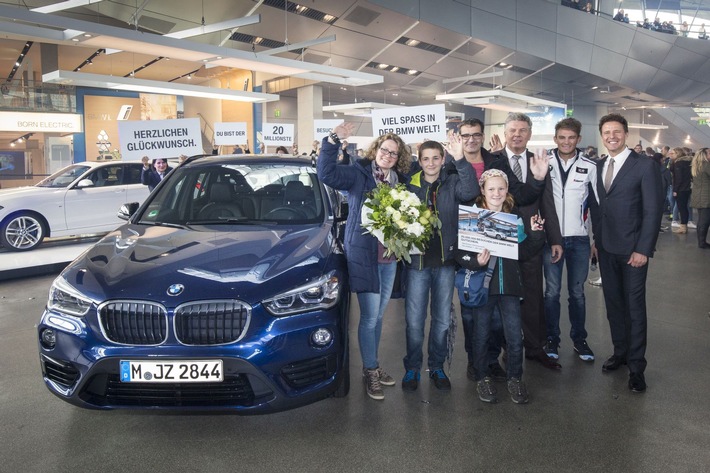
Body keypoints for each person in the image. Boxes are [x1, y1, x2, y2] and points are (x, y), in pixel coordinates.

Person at [317, 122, 411, 401]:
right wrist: (333, 140)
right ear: (376, 150)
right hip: (364, 254)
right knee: (370, 317)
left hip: (389, 257)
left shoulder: (400, 182)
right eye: (385, 150)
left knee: (379, 315)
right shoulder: (358, 174)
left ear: (399, 157)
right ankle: (370, 369)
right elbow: (326, 172)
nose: (388, 156)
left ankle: (373, 364)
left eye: (394, 153)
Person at [456, 117, 551, 380]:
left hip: (504, 272)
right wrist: (472, 259)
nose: (471, 139)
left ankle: (492, 363)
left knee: (498, 323)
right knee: (472, 316)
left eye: (476, 134)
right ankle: (477, 366)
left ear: (483, 135)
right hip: (466, 245)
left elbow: (522, 195)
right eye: (466, 135)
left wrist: (539, 179)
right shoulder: (450, 163)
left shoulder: (496, 163)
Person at [588, 113, 663, 394]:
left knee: (634, 308)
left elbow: (653, 211)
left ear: (626, 134)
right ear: (601, 135)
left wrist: (643, 249)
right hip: (606, 248)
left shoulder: (644, 166)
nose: (612, 136)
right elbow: (598, 208)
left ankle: (636, 367)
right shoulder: (599, 166)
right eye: (606, 132)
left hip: (633, 252)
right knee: (614, 305)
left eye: (617, 132)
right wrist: (596, 241)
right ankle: (620, 353)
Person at [401, 137, 478, 392]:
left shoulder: (452, 181)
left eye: (436, 158)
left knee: (442, 320)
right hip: (417, 264)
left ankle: (436, 366)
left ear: (442, 159)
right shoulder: (410, 186)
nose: (431, 163)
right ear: (419, 161)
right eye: (426, 158)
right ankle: (412, 367)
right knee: (414, 320)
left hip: (445, 262)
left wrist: (461, 159)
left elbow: (470, 192)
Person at [491, 113, 563, 371]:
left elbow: (548, 203)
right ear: (505, 131)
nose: (517, 134)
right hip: (499, 237)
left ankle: (535, 348)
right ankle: (506, 350)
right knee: (500, 296)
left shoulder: (539, 161)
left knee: (533, 295)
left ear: (530, 134)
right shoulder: (494, 160)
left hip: (532, 240)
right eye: (512, 130)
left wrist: (555, 239)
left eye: (522, 130)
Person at [467, 169, 546, 404]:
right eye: (491, 189)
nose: (496, 193)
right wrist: (475, 261)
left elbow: (524, 252)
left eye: (501, 188)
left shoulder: (515, 217)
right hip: (484, 287)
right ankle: (482, 377)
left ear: (507, 191)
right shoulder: (472, 217)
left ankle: (515, 377)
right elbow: (463, 253)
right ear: (482, 190)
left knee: (514, 335)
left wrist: (536, 234)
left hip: (510, 286)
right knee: (481, 334)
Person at [543, 118, 597, 362]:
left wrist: (595, 240)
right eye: (562, 137)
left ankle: (579, 339)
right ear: (555, 139)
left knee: (577, 293)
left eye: (571, 137)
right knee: (552, 292)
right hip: (550, 239)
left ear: (578, 139)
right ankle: (552, 338)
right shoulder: (543, 162)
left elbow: (595, 206)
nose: (566, 142)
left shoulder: (590, 166)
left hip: (579, 239)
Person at [690, 148, 710, 248]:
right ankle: (702, 243)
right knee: (704, 221)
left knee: (702, 220)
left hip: (699, 195)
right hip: (705, 196)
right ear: (704, 155)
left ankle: (701, 241)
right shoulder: (706, 165)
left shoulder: (696, 165)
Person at [671, 147, 692, 234]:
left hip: (681, 189)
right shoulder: (688, 162)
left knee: (681, 208)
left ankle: (683, 227)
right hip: (687, 188)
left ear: (677, 154)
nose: (671, 155)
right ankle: (684, 225)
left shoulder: (678, 163)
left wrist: (675, 190)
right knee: (685, 208)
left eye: (673, 153)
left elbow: (678, 178)